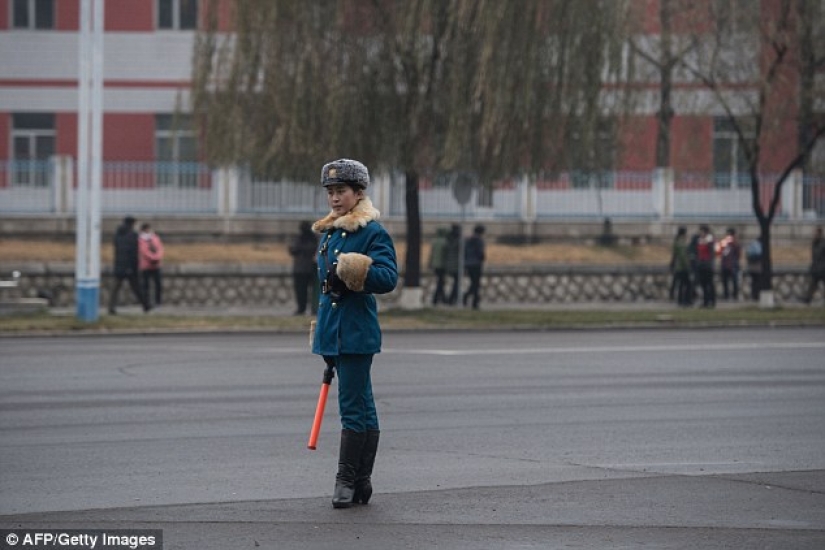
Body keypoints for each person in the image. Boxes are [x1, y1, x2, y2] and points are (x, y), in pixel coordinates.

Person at [311, 159, 398, 509]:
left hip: (357, 333)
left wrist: (353, 269)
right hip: (335, 332)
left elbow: (388, 278)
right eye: (330, 192)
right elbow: (325, 292)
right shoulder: (330, 233)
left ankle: (345, 479)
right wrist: (323, 337)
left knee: (352, 407)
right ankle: (362, 481)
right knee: (363, 406)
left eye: (341, 191)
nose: (334, 198)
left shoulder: (372, 232)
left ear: (358, 193)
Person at [108, 215, 150, 314]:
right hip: (130, 266)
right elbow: (133, 252)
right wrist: (134, 266)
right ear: (132, 224)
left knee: (115, 288)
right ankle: (146, 305)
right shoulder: (133, 235)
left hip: (119, 265)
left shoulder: (118, 234)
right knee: (137, 287)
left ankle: (111, 307)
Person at [289, 220, 319, 315]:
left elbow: (293, 249)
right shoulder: (312, 238)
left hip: (304, 268)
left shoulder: (302, 239)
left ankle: (304, 308)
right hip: (307, 268)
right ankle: (305, 308)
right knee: (304, 291)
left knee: (303, 291)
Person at [138, 222, 164, 308]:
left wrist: (157, 257)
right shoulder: (140, 240)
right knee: (146, 285)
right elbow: (143, 251)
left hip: (156, 265)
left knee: (158, 284)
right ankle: (147, 302)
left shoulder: (155, 237)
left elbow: (160, 248)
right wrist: (153, 257)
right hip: (146, 265)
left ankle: (158, 301)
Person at [462, 224, 486, 309]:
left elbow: (464, 251)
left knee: (473, 282)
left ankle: (467, 297)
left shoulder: (468, 240)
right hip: (476, 264)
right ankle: (474, 302)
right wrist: (482, 258)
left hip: (468, 263)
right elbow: (480, 252)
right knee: (476, 283)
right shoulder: (479, 240)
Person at [695, 224, 716, 308]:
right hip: (701, 265)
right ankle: (705, 301)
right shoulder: (700, 240)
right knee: (703, 284)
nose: (700, 233)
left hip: (708, 265)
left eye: (702, 231)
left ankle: (712, 301)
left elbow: (712, 254)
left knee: (709, 284)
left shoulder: (710, 240)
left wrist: (710, 263)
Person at [803, 225, 825, 305]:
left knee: (813, 285)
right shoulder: (814, 243)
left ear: (820, 234)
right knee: (812, 285)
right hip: (816, 269)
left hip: (822, 269)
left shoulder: (823, 244)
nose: (814, 235)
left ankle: (807, 299)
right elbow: (814, 257)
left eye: (815, 233)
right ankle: (807, 299)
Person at [717, 227, 741, 300]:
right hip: (725, 265)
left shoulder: (735, 243)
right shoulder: (724, 242)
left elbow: (738, 254)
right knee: (725, 281)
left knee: (734, 281)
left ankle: (735, 295)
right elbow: (719, 252)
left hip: (733, 265)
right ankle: (726, 295)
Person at [670, 226, 692, 307]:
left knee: (681, 284)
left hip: (678, 266)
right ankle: (686, 300)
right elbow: (683, 256)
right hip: (682, 267)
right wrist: (688, 265)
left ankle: (680, 300)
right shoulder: (681, 243)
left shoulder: (676, 242)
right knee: (687, 284)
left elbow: (674, 255)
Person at [428, 227, 449, 305]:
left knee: (440, 282)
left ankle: (442, 298)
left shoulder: (435, 241)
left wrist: (430, 264)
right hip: (442, 265)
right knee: (440, 283)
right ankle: (437, 299)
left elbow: (432, 254)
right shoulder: (445, 242)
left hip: (435, 265)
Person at [444, 224, 461, 305]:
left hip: (449, 263)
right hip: (456, 265)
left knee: (455, 282)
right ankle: (452, 299)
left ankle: (451, 299)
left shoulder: (448, 239)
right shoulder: (458, 240)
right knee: (457, 283)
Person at [745, 237, 763, 301]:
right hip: (758, 267)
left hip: (751, 267)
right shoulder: (759, 245)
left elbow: (747, 255)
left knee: (754, 282)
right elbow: (760, 254)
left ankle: (754, 295)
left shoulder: (752, 245)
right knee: (758, 282)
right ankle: (757, 296)